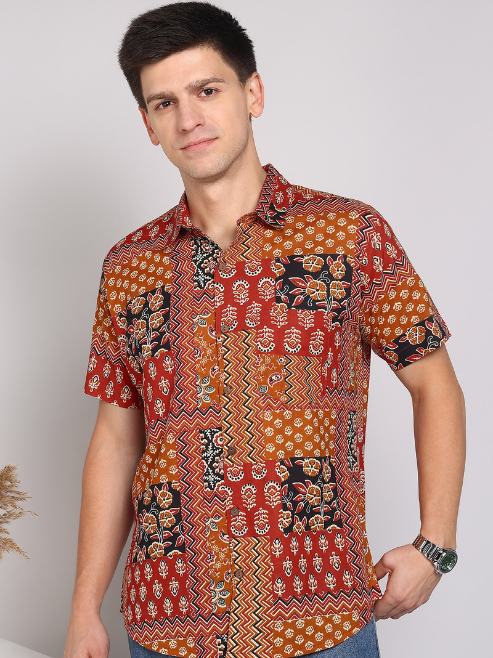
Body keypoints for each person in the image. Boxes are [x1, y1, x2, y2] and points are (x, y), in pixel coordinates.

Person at [64, 3, 466, 658]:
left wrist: (436, 543)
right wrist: (84, 608)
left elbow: (434, 383)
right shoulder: (128, 267)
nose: (188, 119)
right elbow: (115, 438)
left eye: (206, 90)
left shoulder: (349, 234)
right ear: (148, 124)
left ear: (252, 93)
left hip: (321, 620)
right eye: (164, 103)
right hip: (169, 625)